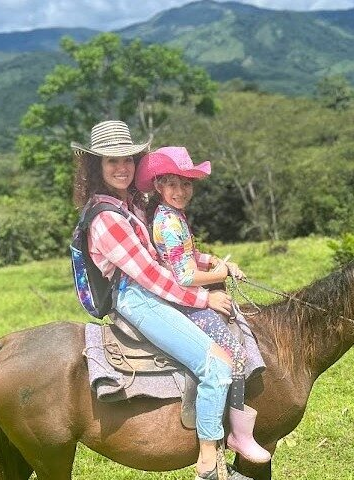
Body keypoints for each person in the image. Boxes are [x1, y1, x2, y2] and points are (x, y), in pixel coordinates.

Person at [70, 121, 252, 480]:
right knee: (217, 364)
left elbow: (166, 255)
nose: (121, 168)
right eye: (111, 162)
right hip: (138, 298)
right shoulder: (107, 218)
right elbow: (149, 276)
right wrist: (203, 297)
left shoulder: (131, 203)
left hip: (152, 289)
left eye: (127, 160)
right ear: (97, 167)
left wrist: (212, 263)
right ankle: (209, 465)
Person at [135, 146, 271, 464]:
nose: (181, 191)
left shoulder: (172, 215)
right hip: (183, 303)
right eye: (172, 184)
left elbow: (186, 255)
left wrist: (214, 261)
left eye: (186, 184)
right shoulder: (168, 222)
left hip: (182, 291)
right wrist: (219, 274)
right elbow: (183, 275)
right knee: (234, 356)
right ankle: (238, 433)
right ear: (158, 186)